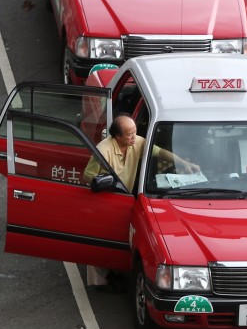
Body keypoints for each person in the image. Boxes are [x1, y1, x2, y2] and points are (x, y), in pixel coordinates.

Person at [83, 115, 199, 292]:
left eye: (135, 132)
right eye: (130, 134)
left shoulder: (136, 142)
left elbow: (159, 152)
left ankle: (116, 273)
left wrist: (183, 163)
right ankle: (100, 283)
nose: (134, 137)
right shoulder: (103, 150)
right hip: (105, 198)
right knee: (101, 239)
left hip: (124, 198)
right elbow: (87, 176)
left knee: (120, 236)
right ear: (117, 137)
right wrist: (104, 182)